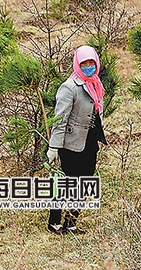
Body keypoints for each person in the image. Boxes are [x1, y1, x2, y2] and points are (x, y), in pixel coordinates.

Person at [46, 45, 107, 235]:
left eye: (91, 62)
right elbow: (60, 119)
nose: (88, 66)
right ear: (77, 64)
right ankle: (54, 222)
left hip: (90, 143)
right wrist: (54, 147)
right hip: (70, 144)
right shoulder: (69, 87)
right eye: (84, 63)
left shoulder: (96, 85)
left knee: (85, 182)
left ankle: (71, 222)